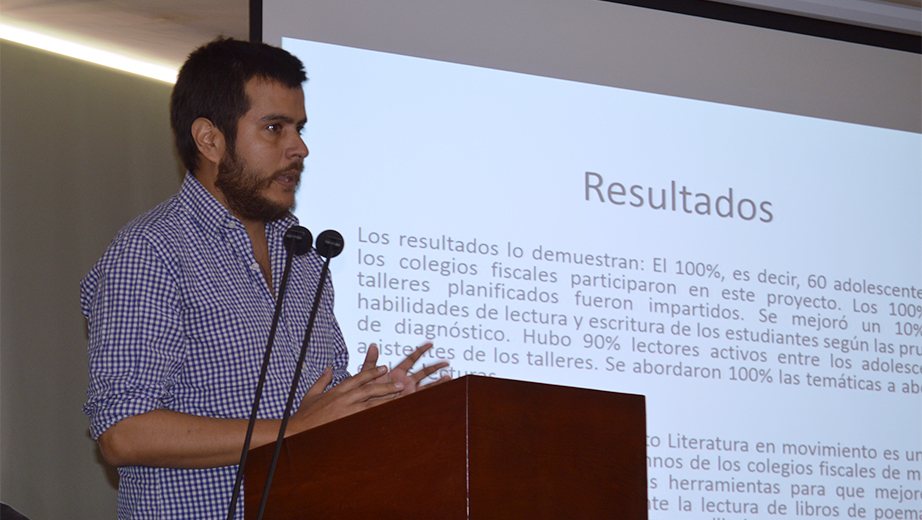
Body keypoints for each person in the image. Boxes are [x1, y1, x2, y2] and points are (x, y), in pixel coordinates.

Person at [81, 37, 447, 519]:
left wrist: (376, 405)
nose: (299, 148)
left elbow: (318, 417)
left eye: (299, 128)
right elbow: (123, 433)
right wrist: (293, 428)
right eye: (275, 128)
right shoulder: (152, 251)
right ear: (210, 140)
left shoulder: (304, 254)